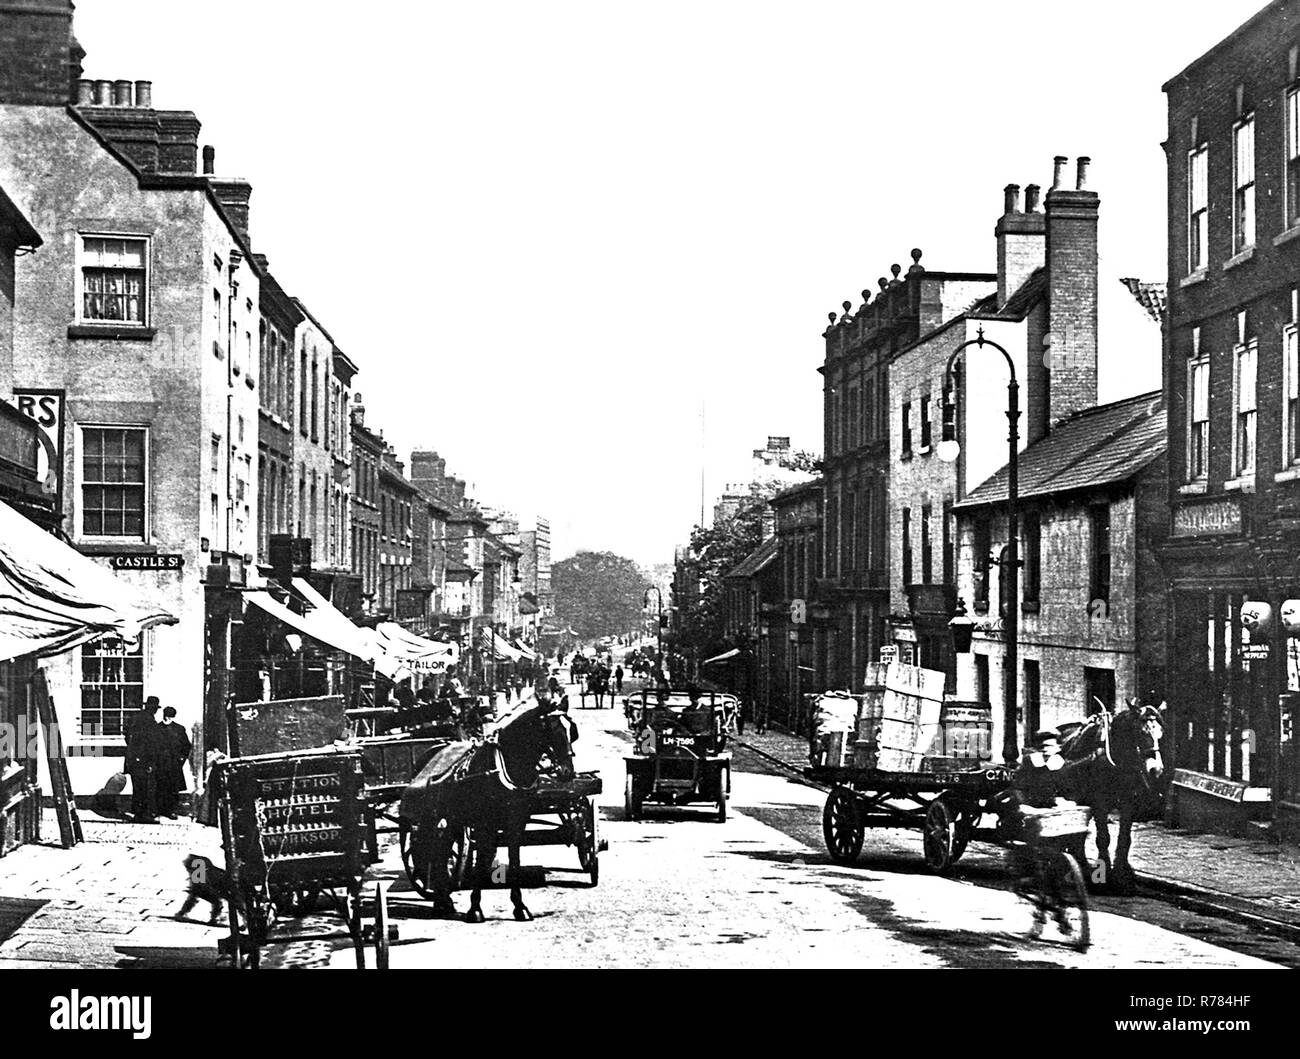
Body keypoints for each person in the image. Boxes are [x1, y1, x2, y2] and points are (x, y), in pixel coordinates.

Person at [125, 697, 162, 823]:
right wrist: (150, 762)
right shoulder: (150, 722)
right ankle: (145, 816)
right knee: (147, 788)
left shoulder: (135, 718)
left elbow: (128, 737)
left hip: (133, 760)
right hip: (144, 761)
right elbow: (150, 744)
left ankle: (138, 814)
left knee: (137, 788)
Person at [155, 707, 192, 818]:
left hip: (173, 764)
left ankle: (172, 810)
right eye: (167, 716)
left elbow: (186, 746)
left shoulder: (179, 729)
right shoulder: (157, 728)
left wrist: (181, 759)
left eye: (170, 716)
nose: (168, 718)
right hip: (160, 764)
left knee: (173, 789)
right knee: (160, 787)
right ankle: (159, 810)